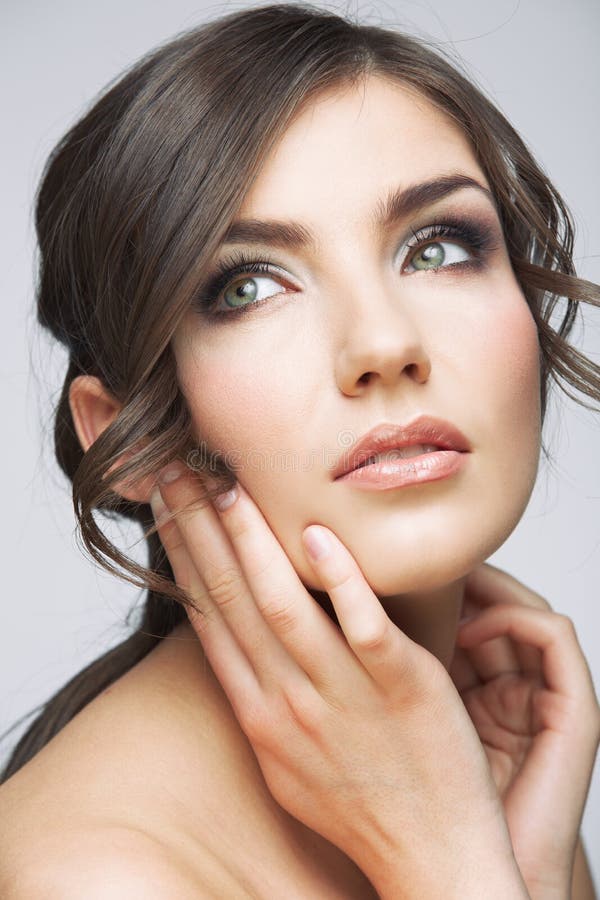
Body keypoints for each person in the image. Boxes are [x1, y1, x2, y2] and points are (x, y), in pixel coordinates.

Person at [0, 3, 598, 896]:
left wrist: (530, 871)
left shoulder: (480, 785)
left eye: (438, 246)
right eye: (248, 284)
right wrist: (451, 865)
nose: (384, 344)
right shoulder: (94, 875)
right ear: (122, 437)